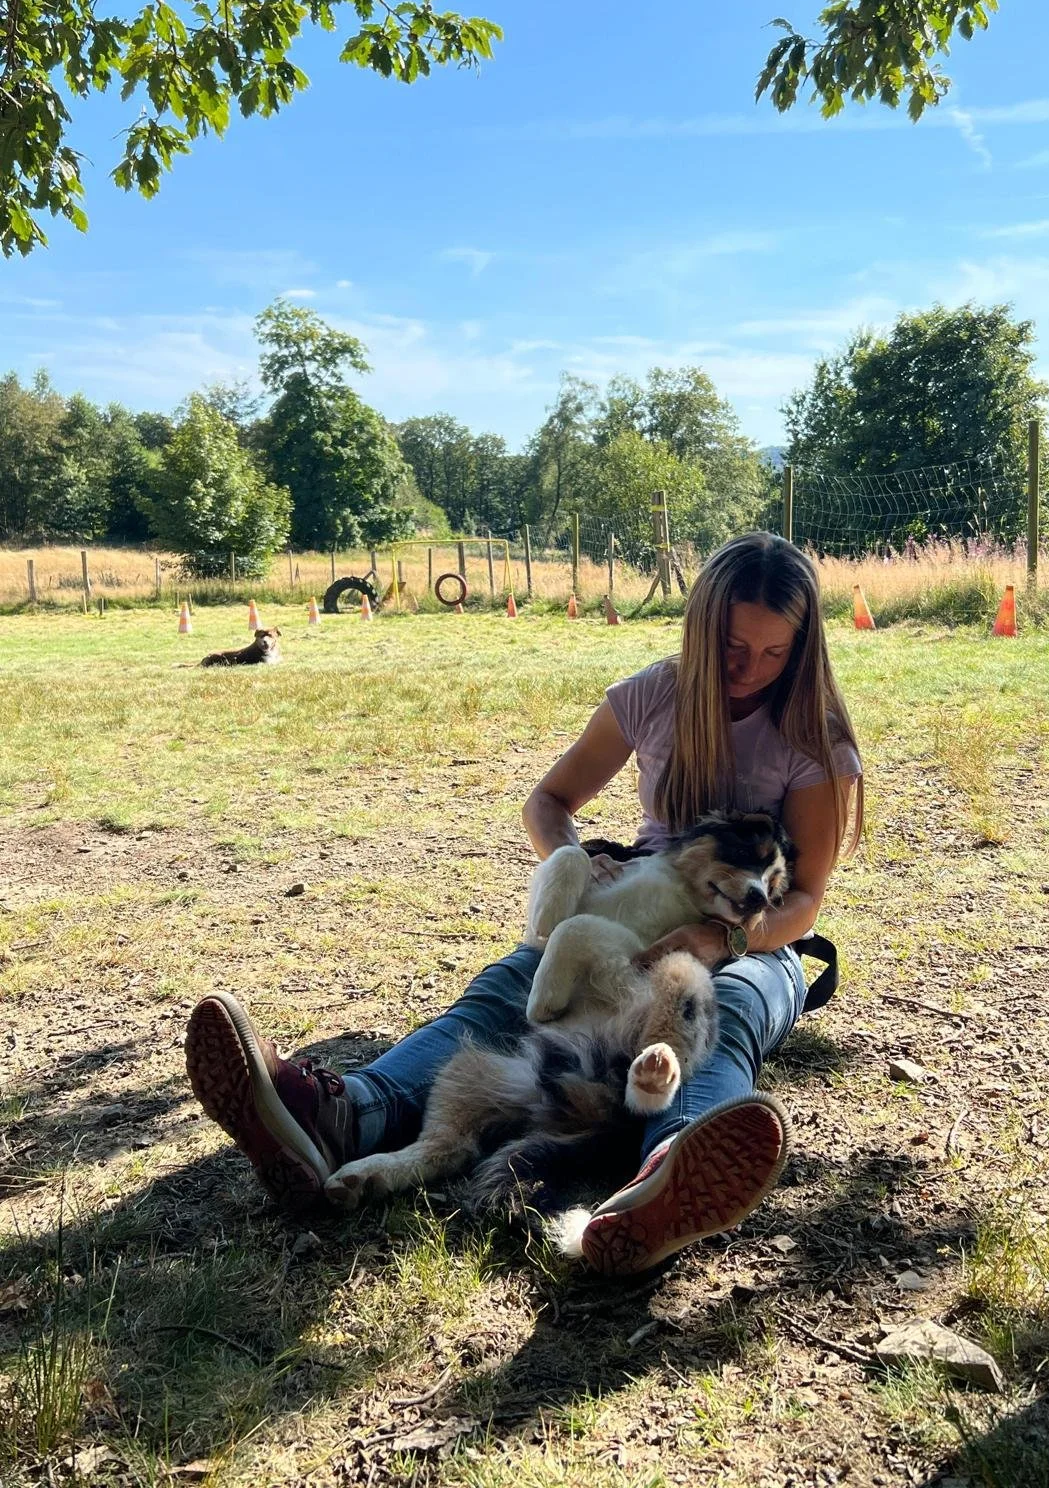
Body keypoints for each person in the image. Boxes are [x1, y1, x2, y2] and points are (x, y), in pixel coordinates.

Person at [186, 532, 863, 1275]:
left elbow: (803, 901)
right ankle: (348, 1112)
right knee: (508, 991)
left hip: (754, 941)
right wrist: (583, 860)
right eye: (735, 647)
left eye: (775, 653)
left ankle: (672, 1166)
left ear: (801, 649)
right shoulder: (652, 695)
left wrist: (719, 943)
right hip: (638, 901)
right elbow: (548, 801)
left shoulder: (812, 736)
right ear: (700, 629)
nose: (751, 670)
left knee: (718, 1014)